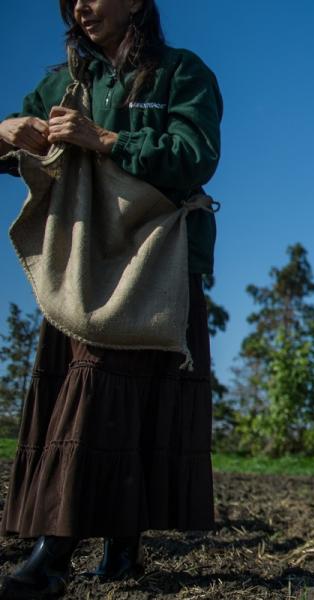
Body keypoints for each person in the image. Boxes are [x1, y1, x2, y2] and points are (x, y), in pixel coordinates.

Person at [0, 0, 221, 596]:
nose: (80, 5)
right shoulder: (63, 80)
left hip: (156, 261)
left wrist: (105, 138)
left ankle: (52, 558)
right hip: (83, 262)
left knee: (113, 391)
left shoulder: (181, 72)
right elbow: (11, 139)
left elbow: (195, 156)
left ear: (136, 3)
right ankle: (121, 554)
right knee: (100, 393)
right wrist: (4, 132)